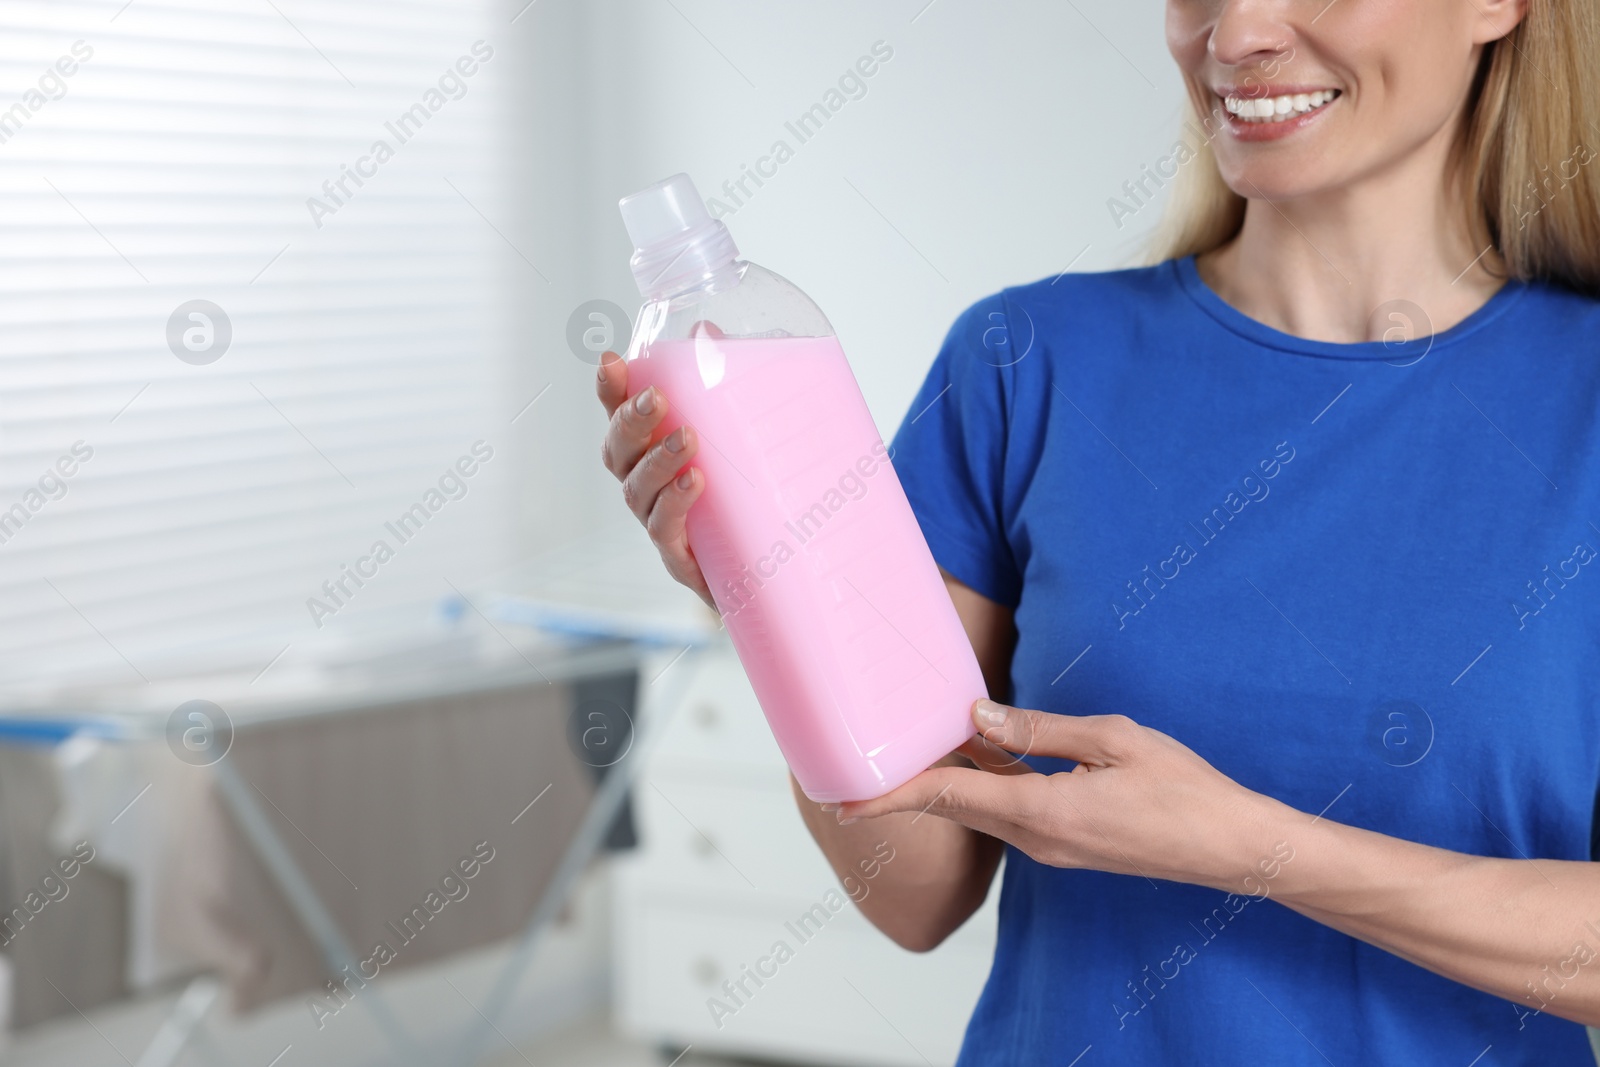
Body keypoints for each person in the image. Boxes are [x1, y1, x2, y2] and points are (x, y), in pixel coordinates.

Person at [597, 0, 1600, 1061]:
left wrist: (1254, 849)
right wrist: (767, 601)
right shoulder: (1022, 363)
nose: (1237, 33)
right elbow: (915, 894)